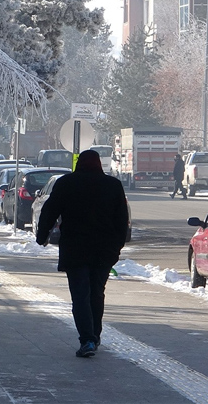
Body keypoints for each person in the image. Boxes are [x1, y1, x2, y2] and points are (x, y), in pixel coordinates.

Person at [35, 150, 129, 358]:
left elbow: (49, 211)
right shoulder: (112, 186)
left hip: (75, 248)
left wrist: (42, 236)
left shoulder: (66, 183)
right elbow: (122, 220)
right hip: (104, 250)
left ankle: (87, 339)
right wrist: (117, 247)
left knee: (80, 295)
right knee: (97, 293)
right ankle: (94, 335)